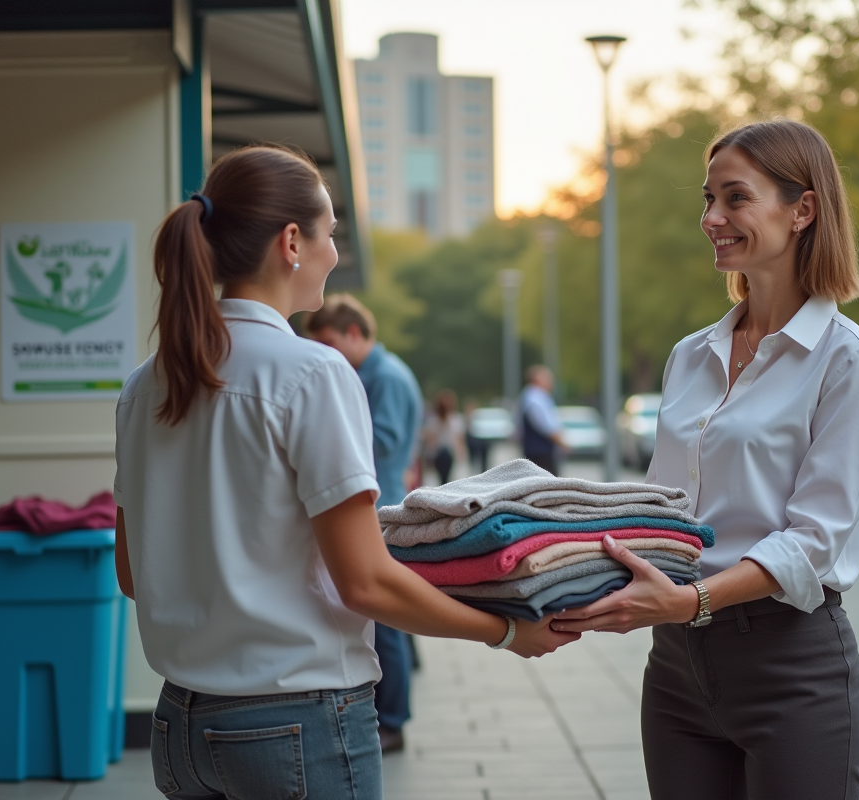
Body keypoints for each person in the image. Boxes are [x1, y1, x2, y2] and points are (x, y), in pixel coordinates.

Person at [113, 145, 578, 800]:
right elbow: (363, 581)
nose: (335, 252)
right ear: (292, 241)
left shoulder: (143, 386)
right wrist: (505, 632)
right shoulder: (314, 373)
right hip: (296, 723)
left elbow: (132, 574)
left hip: (180, 730)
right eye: (331, 233)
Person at [553, 120, 859, 799]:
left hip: (789, 665)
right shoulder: (692, 355)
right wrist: (563, 575)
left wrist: (689, 600)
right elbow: (666, 509)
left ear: (803, 209)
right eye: (708, 200)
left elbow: (815, 542)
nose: (712, 218)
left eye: (735, 198)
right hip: (677, 668)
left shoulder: (850, 361)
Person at [306, 293, 423, 754]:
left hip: (378, 511)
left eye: (331, 343)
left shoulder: (385, 378)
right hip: (376, 507)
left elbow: (382, 444)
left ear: (355, 334)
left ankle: (392, 721)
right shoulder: (375, 373)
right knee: (385, 619)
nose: (327, 355)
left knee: (385, 621)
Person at [518, 365, 565, 475]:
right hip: (540, 451)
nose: (551, 382)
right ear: (537, 379)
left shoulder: (528, 395)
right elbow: (546, 426)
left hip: (534, 449)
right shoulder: (536, 398)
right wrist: (562, 442)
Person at [423, 389, 466, 484]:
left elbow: (459, 438)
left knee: (447, 478)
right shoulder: (434, 420)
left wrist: (460, 453)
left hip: (449, 452)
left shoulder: (455, 419)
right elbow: (431, 438)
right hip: (439, 453)